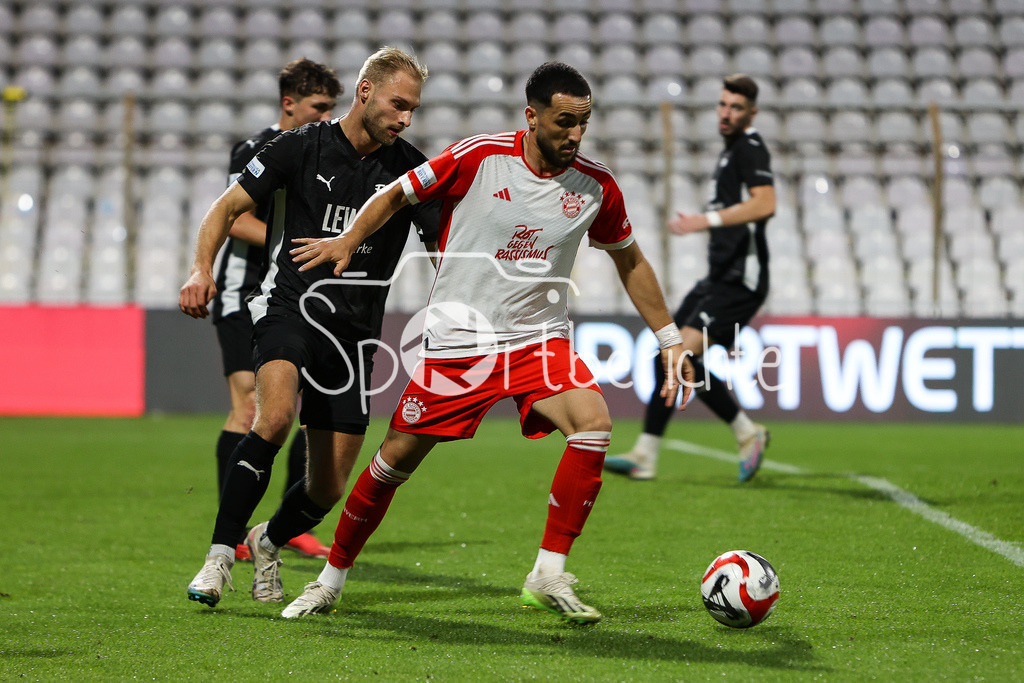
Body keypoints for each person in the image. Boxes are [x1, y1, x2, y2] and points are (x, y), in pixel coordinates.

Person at [279, 61, 693, 624]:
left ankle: (548, 572)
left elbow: (630, 259)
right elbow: (395, 195)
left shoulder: (596, 186)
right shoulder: (479, 156)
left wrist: (668, 337)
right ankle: (331, 581)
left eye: (583, 123)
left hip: (536, 339)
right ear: (532, 116)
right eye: (563, 121)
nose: (574, 134)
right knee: (392, 465)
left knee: (593, 425)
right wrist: (350, 239)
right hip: (459, 342)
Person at [180, 47, 440, 608]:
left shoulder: (410, 171)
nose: (405, 119)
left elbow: (441, 244)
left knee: (328, 488)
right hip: (289, 306)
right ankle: (220, 556)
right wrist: (201, 268)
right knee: (272, 418)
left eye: (413, 109)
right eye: (398, 105)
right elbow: (224, 210)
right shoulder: (301, 145)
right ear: (365, 92)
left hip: (353, 334)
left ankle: (267, 538)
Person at [604, 74, 776, 484]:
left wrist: (706, 220)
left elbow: (766, 203)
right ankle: (649, 452)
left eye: (736, 107)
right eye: (722, 104)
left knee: (680, 358)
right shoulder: (731, 153)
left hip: (741, 280)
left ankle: (744, 434)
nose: (726, 113)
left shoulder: (750, 148)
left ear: (751, 113)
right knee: (666, 356)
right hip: (717, 278)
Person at [212, 58, 341, 562]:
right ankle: (233, 526)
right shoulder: (254, 150)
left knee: (302, 412)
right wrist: (299, 243)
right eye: (319, 107)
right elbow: (235, 218)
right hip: (243, 292)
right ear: (290, 103)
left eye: (333, 107)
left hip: (295, 298)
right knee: (250, 408)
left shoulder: (326, 153)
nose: (328, 116)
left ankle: (285, 526)